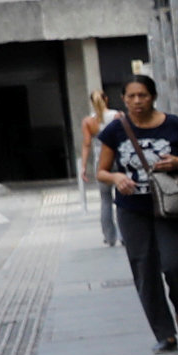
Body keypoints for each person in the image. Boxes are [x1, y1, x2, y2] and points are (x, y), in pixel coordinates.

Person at [93, 74, 178, 352]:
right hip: (132, 210)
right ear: (123, 99)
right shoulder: (115, 131)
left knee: (174, 264)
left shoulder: (171, 124)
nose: (137, 101)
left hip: (168, 206)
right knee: (144, 270)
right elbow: (101, 171)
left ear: (152, 96)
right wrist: (117, 178)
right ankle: (164, 334)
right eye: (131, 96)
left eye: (142, 95)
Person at [78, 87, 118, 247]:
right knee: (123, 198)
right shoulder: (117, 116)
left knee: (105, 200)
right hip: (117, 160)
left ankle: (109, 237)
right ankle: (124, 236)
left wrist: (83, 167)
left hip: (100, 163)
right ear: (106, 99)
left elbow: (87, 144)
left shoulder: (88, 121)